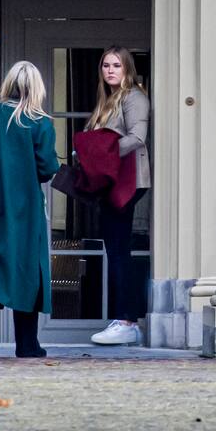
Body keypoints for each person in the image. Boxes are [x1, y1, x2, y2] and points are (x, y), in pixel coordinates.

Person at [0, 61, 60, 358]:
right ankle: (27, 343)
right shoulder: (40, 122)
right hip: (26, 209)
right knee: (28, 270)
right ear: (36, 89)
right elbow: (47, 168)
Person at [86, 46, 151, 346]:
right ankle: (124, 319)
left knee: (118, 252)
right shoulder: (108, 101)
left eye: (117, 66)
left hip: (127, 182)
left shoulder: (134, 97)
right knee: (115, 250)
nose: (110, 71)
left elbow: (138, 137)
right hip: (112, 182)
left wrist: (100, 154)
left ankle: (126, 320)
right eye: (106, 66)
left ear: (127, 69)